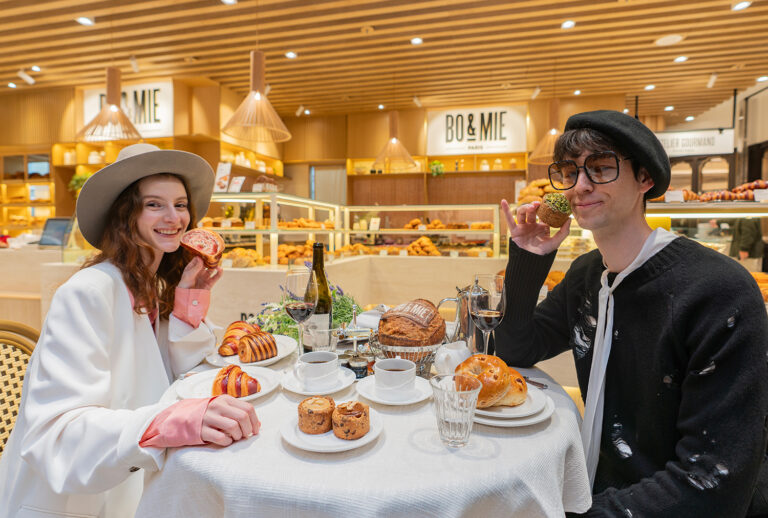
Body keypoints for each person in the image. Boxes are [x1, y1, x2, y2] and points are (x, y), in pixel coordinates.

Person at [495, 110, 768, 517]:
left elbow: (712, 483)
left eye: (601, 168)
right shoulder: (587, 274)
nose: (579, 186)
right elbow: (515, 349)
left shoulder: (717, 291)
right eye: (569, 172)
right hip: (592, 489)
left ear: (645, 179)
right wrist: (529, 260)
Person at [0, 143, 260, 518]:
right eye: (154, 204)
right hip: (75, 500)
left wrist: (190, 301)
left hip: (130, 480)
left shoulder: (150, 284)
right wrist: (170, 421)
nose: (174, 217)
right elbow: (55, 435)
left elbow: (173, 375)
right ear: (126, 214)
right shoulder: (88, 292)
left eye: (181, 204)